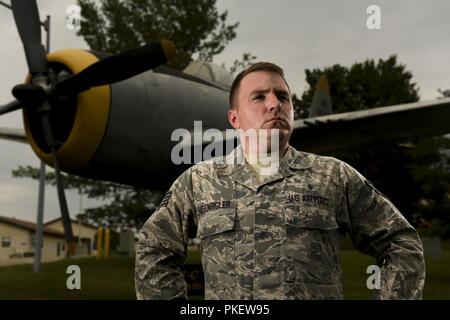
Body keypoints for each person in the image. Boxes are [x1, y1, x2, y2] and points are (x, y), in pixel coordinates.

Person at [135, 62, 425, 300]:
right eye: (259, 97)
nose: (274, 104)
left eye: (282, 97)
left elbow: (401, 243)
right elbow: (153, 249)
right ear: (234, 119)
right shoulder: (198, 181)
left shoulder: (334, 176)